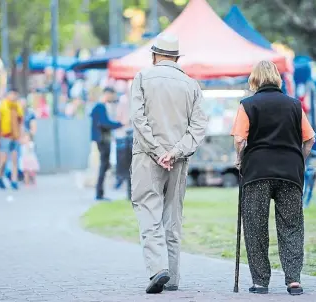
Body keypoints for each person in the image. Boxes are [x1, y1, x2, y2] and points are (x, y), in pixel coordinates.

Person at [130, 33, 208, 294]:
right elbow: (198, 127)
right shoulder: (191, 84)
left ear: (154, 55)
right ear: (175, 58)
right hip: (178, 160)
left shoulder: (142, 78)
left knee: (148, 212)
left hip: (146, 157)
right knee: (173, 216)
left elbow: (138, 119)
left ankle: (157, 269)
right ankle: (172, 276)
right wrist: (174, 152)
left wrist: (157, 150)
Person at [231, 60, 316, 296]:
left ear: (255, 80)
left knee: (255, 227)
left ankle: (260, 282)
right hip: (290, 172)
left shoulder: (247, 104)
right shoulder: (294, 105)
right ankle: (293, 280)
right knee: (291, 226)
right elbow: (310, 139)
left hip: (257, 172)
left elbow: (239, 139)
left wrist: (240, 159)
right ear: (277, 78)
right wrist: (299, 159)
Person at [90, 87, 123, 201]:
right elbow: (105, 123)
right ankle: (99, 193)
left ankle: (100, 192)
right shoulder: (100, 107)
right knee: (103, 166)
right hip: (103, 140)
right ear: (107, 94)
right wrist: (119, 124)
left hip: (101, 139)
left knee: (104, 165)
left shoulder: (98, 107)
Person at [0, 90, 23, 190]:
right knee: (3, 160)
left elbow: (20, 122)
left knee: (15, 159)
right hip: (5, 135)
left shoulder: (18, 106)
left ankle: (14, 180)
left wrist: (21, 135)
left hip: (15, 136)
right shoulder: (3, 106)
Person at [114, 89, 131, 189]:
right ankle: (121, 178)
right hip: (122, 135)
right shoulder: (124, 101)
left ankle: (121, 179)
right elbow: (119, 118)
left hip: (126, 136)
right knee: (122, 160)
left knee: (125, 160)